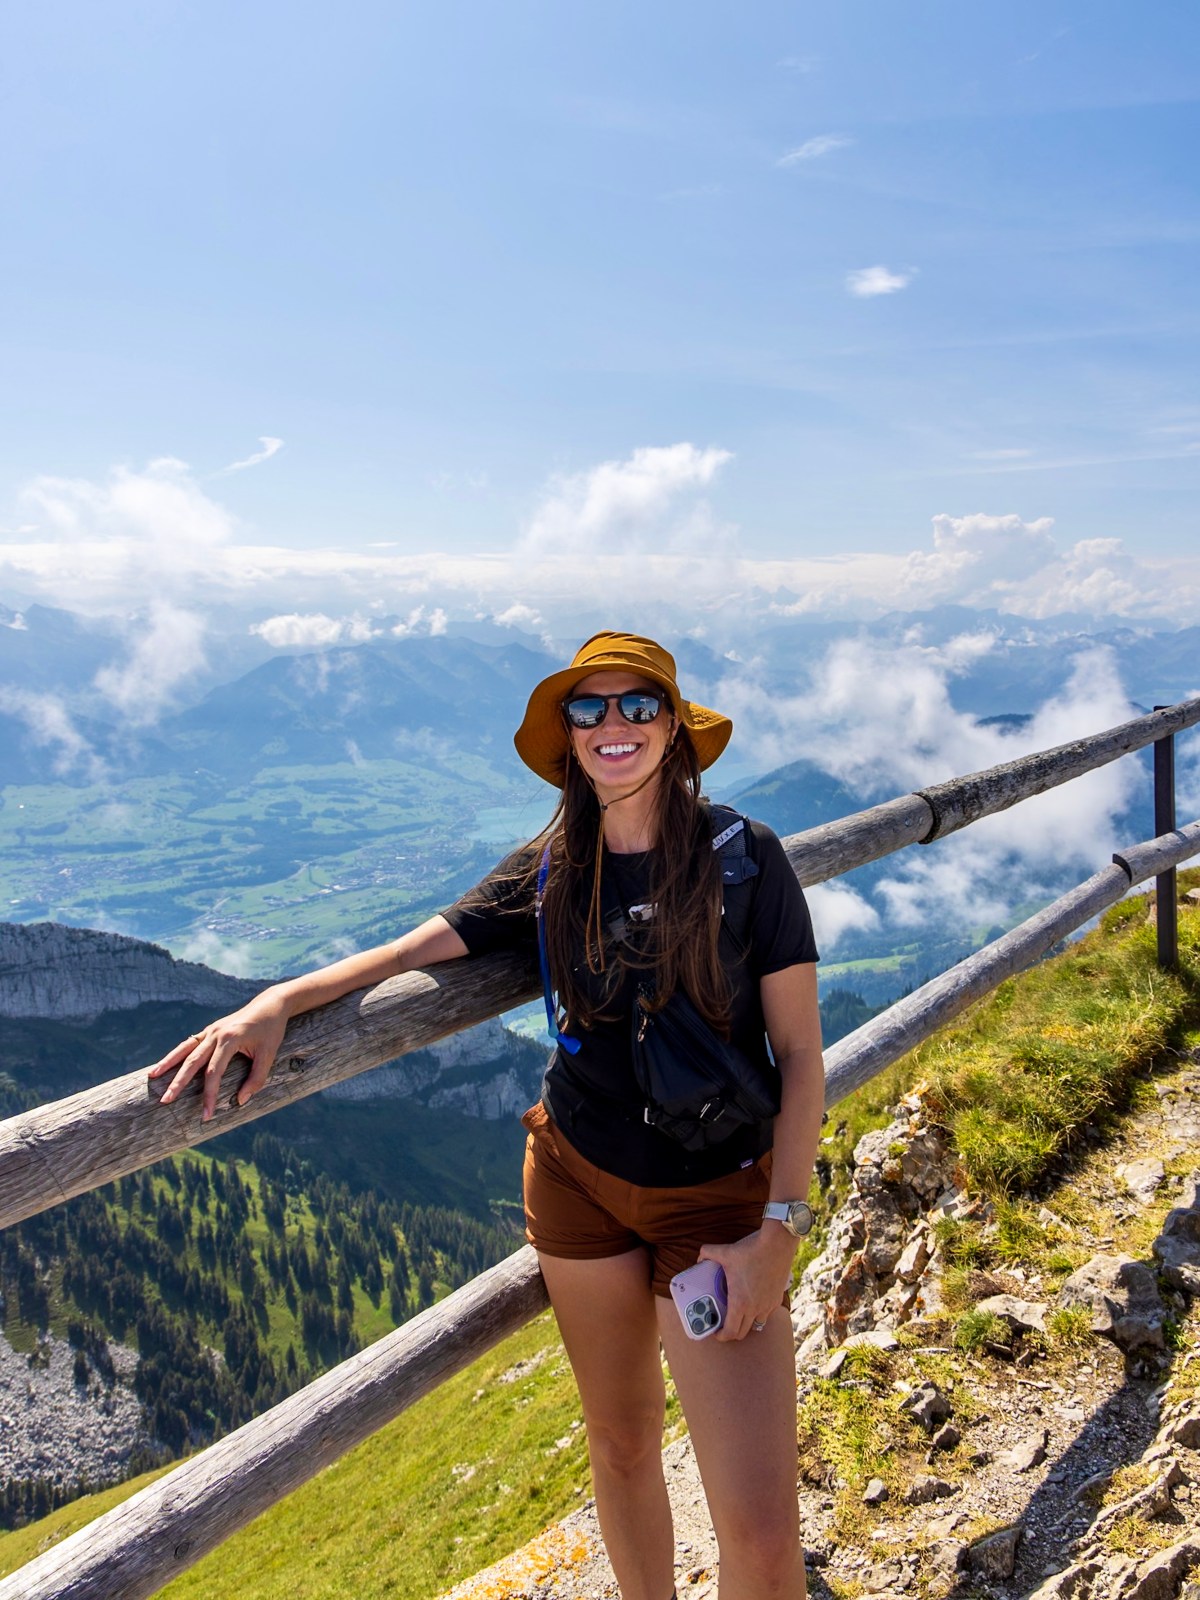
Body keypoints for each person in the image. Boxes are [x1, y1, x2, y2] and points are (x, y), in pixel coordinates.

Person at [149, 630, 824, 1600]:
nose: (613, 724)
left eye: (638, 704)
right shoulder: (552, 865)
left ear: (677, 728)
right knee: (622, 1442)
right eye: (588, 709)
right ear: (569, 741)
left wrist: (779, 1230)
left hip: (715, 1202)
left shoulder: (747, 859)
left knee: (761, 1540)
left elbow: (801, 1056)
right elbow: (409, 949)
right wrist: (278, 1001)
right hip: (576, 1183)